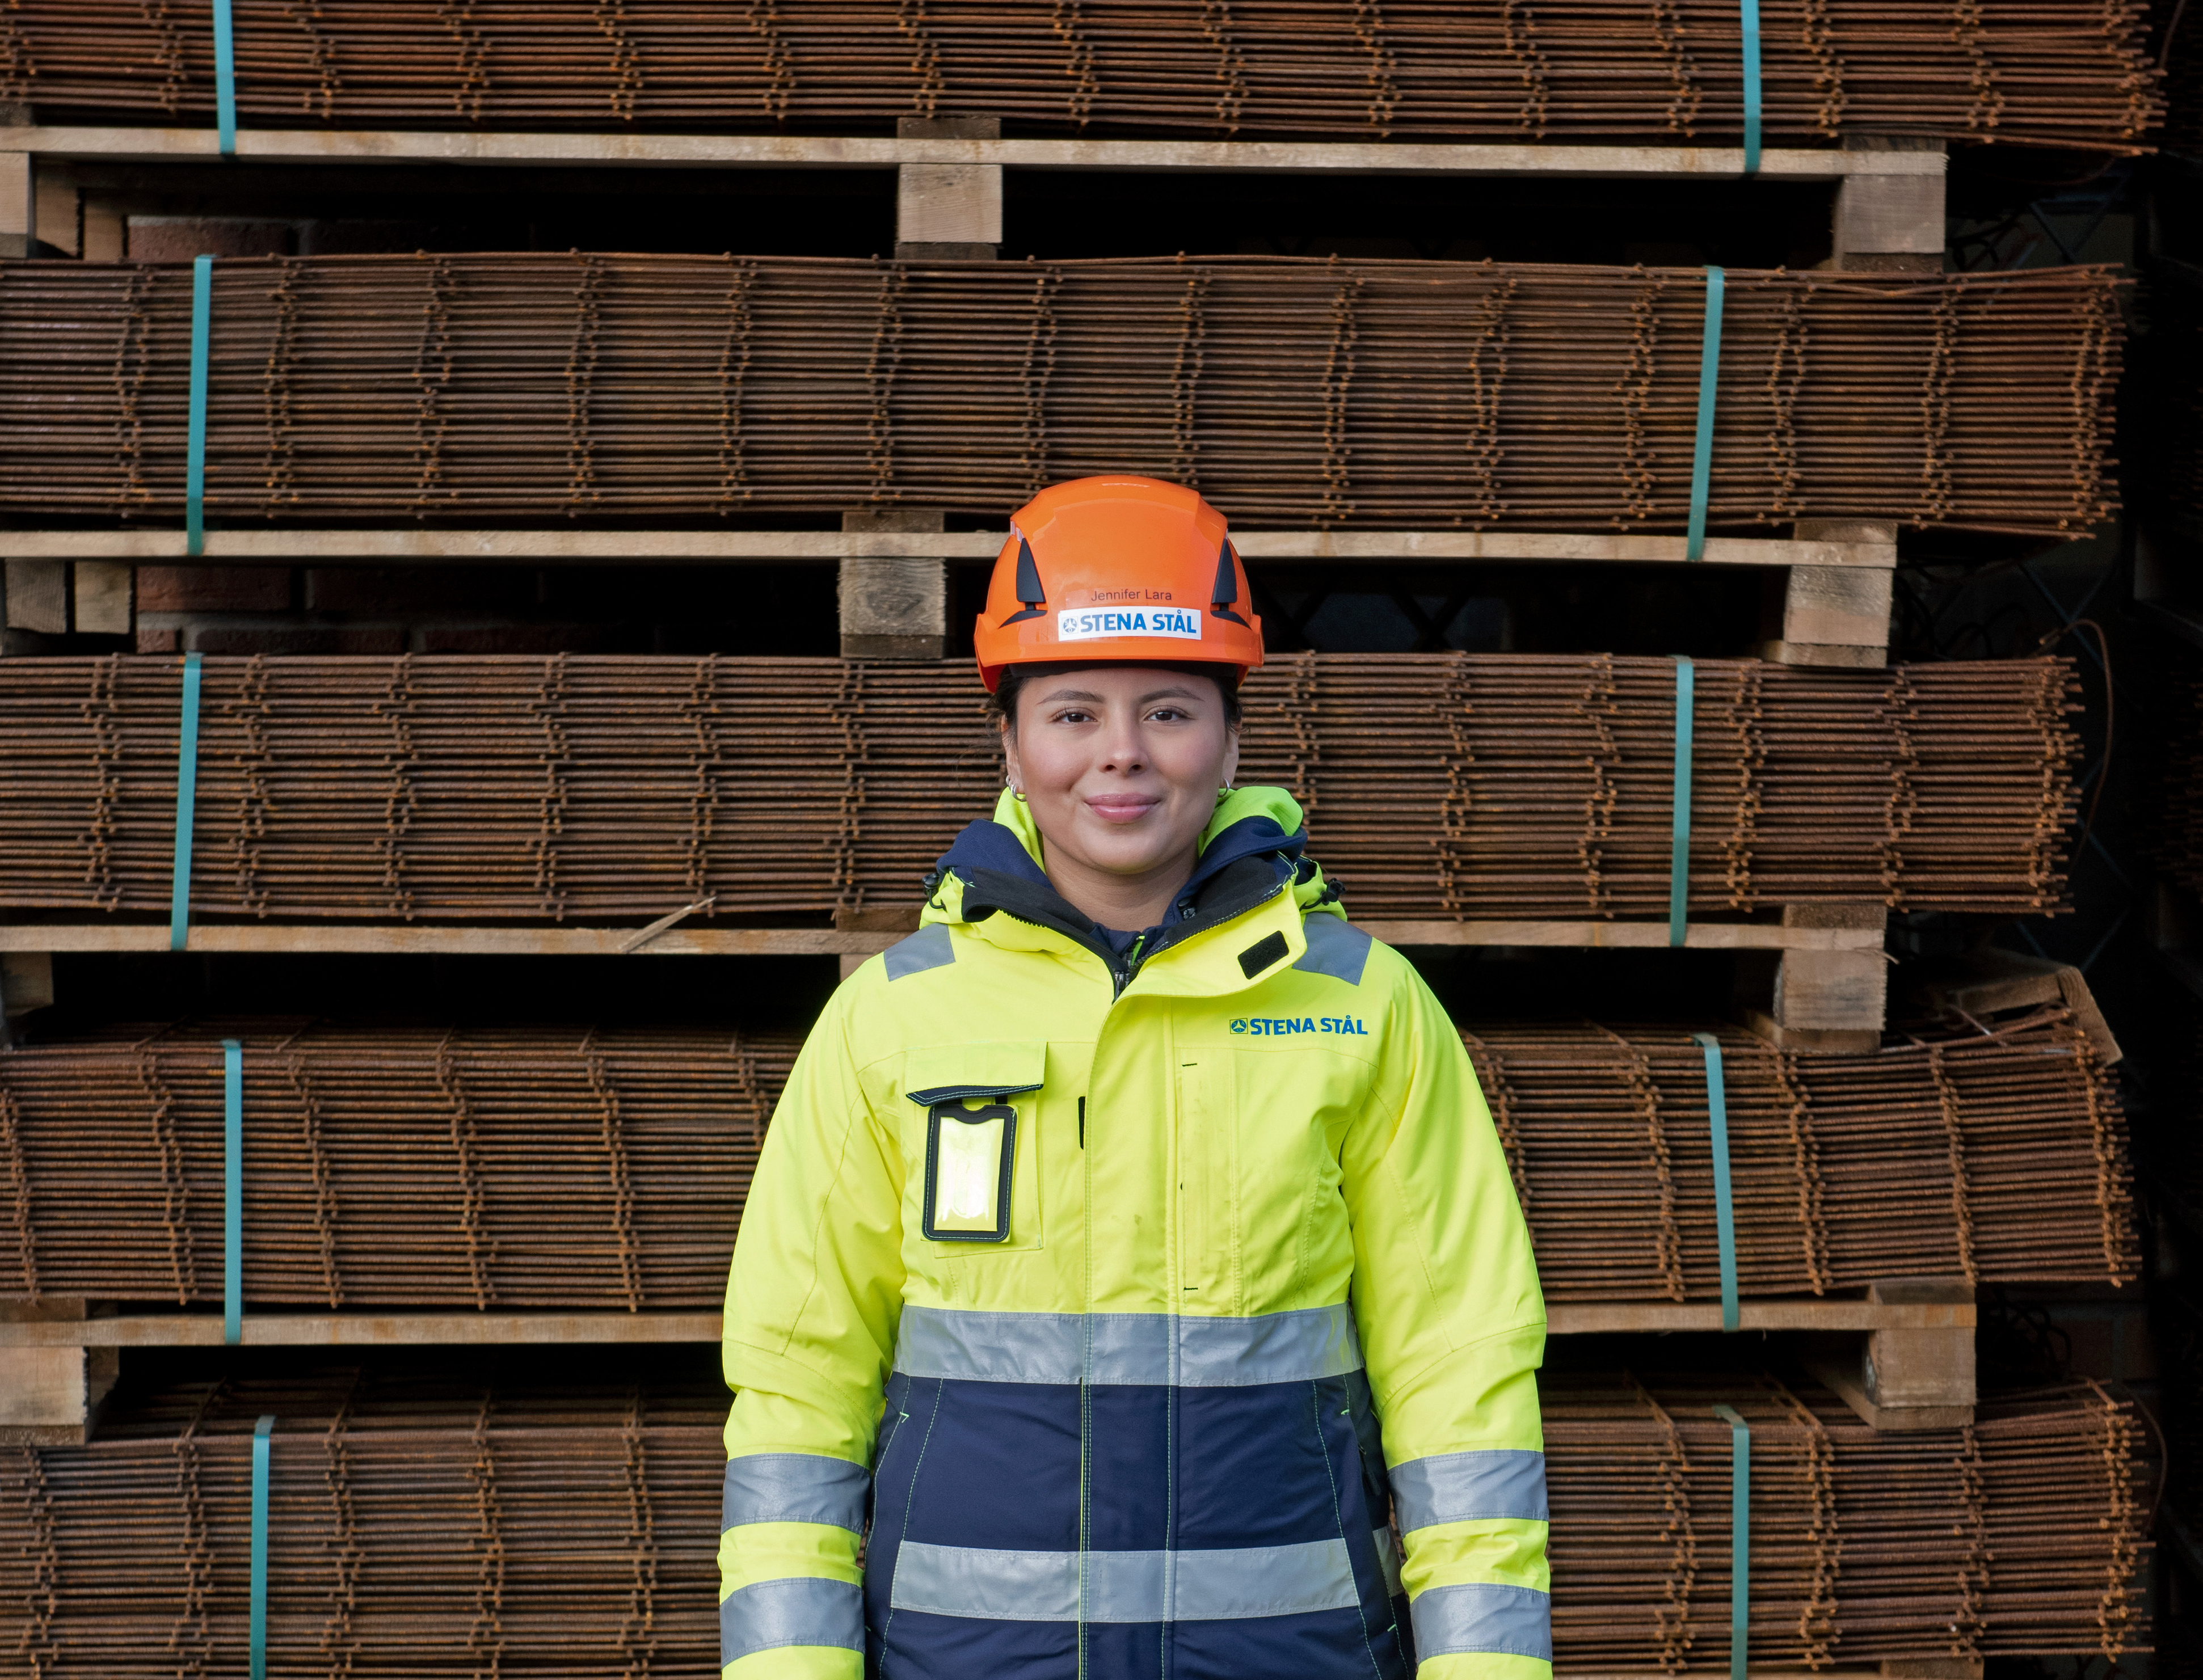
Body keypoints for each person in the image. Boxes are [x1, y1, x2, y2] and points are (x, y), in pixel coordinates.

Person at [717, 476, 1549, 1680]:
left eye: (1167, 710)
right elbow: (798, 1386)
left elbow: (1459, 1370)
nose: (1120, 754)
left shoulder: (1363, 1007)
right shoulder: (887, 1023)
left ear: (1231, 734)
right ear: (1007, 738)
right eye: (1071, 712)